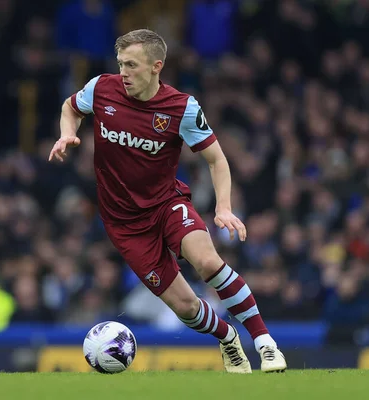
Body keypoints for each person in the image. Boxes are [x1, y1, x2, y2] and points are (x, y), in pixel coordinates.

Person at [49, 29, 286, 373]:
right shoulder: (102, 88)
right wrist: (67, 132)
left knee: (206, 263)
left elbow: (217, 160)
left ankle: (266, 344)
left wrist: (223, 207)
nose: (123, 72)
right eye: (120, 64)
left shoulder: (182, 108)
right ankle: (228, 338)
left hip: (166, 205)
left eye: (131, 65)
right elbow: (70, 107)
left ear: (155, 66)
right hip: (125, 226)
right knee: (187, 308)